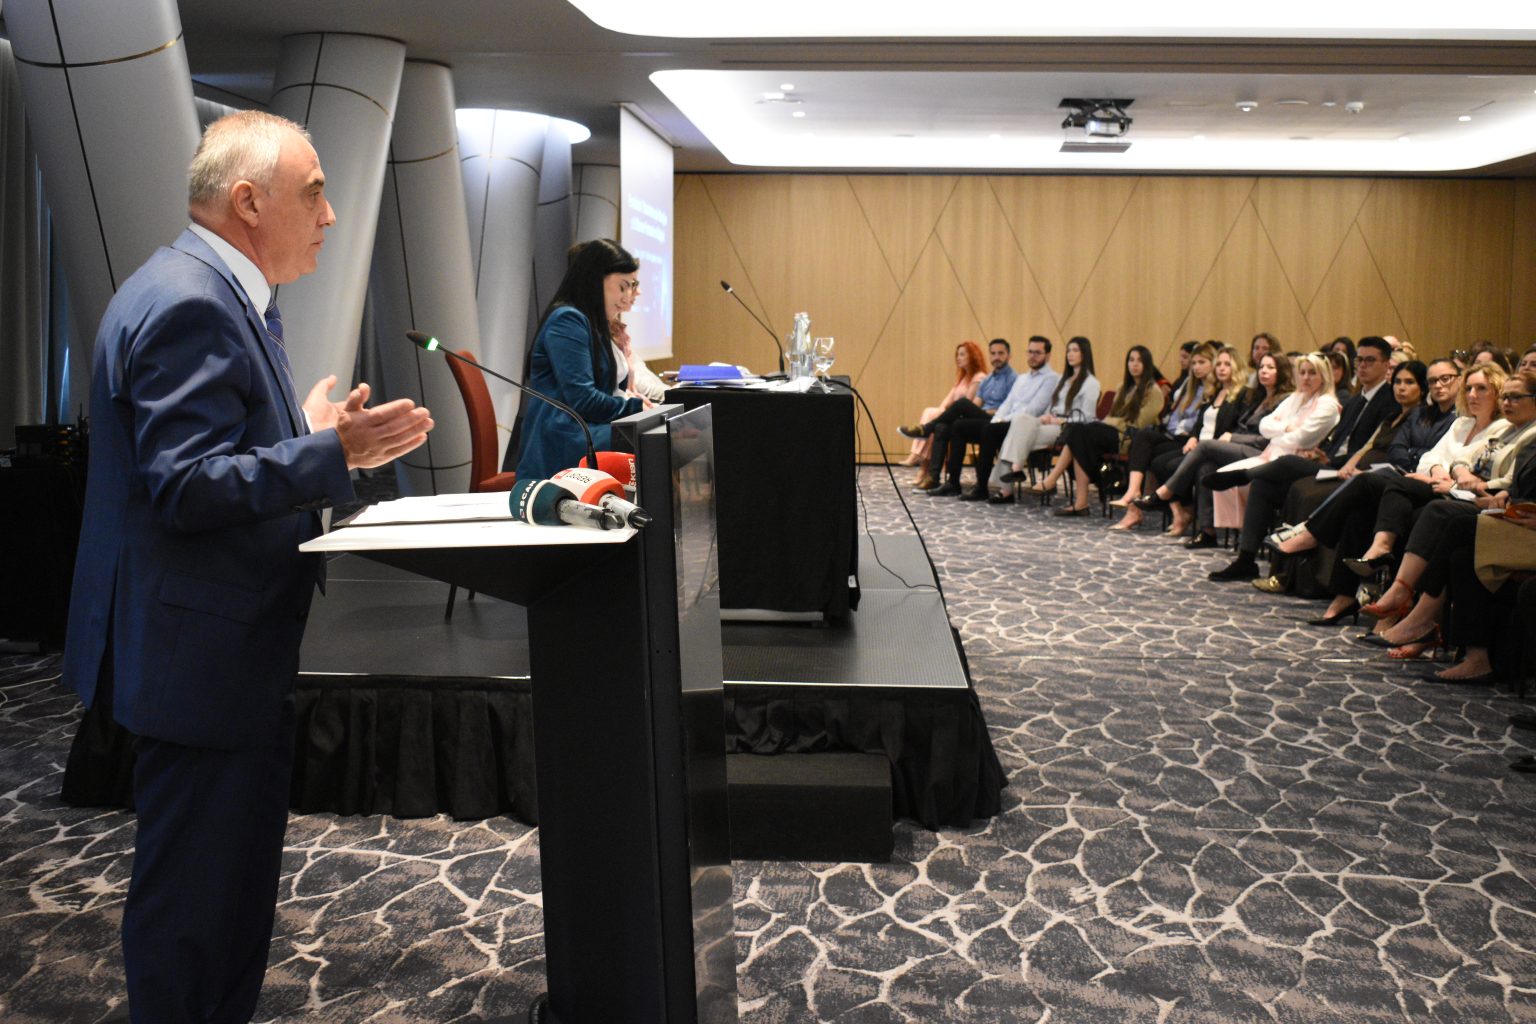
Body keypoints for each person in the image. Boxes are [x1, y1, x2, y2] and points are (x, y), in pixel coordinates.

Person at [61, 111, 433, 1024]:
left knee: (225, 897)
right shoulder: (192, 303)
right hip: (199, 659)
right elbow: (184, 485)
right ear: (247, 201)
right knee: (194, 909)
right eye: (314, 193)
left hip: (219, 651)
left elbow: (207, 455)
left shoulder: (209, 289)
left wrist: (307, 432)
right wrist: (332, 454)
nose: (330, 215)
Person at [1203, 352, 1341, 580]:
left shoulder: (1328, 405)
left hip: (1300, 469)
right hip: (1273, 460)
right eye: (1302, 372)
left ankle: (1243, 475)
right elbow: (1264, 426)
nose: (1306, 378)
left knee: (1273, 468)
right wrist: (1286, 429)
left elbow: (1302, 439)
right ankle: (1246, 560)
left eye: (1312, 373)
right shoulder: (1296, 398)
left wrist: (1282, 431)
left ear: (1324, 376)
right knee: (1260, 483)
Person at [516, 239, 647, 479]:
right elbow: (584, 400)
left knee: (655, 436)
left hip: (581, 430)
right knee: (649, 441)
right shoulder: (567, 320)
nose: (629, 296)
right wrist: (637, 408)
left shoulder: (591, 321)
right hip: (561, 438)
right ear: (595, 280)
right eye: (623, 286)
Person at [1136, 351, 1292, 547]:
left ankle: (1165, 493)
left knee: (1206, 446)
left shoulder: (1285, 400)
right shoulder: (1258, 397)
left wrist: (1233, 437)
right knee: (1206, 467)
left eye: (1270, 367)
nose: (1264, 371)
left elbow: (1267, 439)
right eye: (1261, 367)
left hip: (1264, 453)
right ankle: (1207, 532)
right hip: (1242, 447)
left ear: (1282, 372)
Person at [1023, 345, 1166, 514]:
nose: (1134, 364)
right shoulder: (1123, 387)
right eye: (1131, 360)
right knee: (1078, 435)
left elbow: (1138, 423)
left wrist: (1112, 422)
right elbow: (1112, 417)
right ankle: (1079, 502)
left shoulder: (1153, 391)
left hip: (1127, 439)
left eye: (1139, 361)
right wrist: (1112, 421)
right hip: (1111, 432)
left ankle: (1056, 481)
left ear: (1147, 364)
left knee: (1079, 433)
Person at [922, 336, 1056, 496]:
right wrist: (998, 419)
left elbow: (1034, 409)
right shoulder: (1021, 378)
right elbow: (1007, 404)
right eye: (1030, 352)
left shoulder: (1050, 379)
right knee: (958, 426)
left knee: (975, 416)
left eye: (1038, 353)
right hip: (1001, 420)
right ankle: (953, 483)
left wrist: (1000, 420)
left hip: (1021, 426)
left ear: (1048, 355)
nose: (1033, 356)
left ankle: (981, 487)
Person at [985, 335, 1101, 498]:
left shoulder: (1091, 383)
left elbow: (1087, 419)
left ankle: (1007, 486)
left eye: (1075, 350)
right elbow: (1052, 406)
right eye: (1068, 350)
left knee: (1016, 435)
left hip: (1067, 429)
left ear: (1085, 354)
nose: (1070, 354)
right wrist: (1045, 417)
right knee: (1021, 420)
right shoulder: (1064, 380)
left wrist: (1060, 420)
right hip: (1050, 422)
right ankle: (1016, 470)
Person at [902, 339, 1016, 486]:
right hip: (982, 420)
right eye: (993, 354)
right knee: (944, 427)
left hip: (999, 422)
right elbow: (975, 406)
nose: (996, 357)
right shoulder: (987, 380)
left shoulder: (1013, 379)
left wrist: (985, 411)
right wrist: (970, 412)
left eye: (1001, 353)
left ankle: (927, 428)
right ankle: (939, 480)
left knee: (962, 404)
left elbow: (1011, 409)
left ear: (1009, 355)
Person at [896, 340, 988, 469]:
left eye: (962, 354)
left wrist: (943, 413)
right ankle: (920, 461)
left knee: (933, 421)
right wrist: (942, 410)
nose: (958, 358)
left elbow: (968, 405)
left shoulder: (979, 377)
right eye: (957, 355)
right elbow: (948, 400)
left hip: (966, 418)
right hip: (953, 415)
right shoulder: (963, 377)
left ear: (972, 356)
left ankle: (917, 456)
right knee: (930, 413)